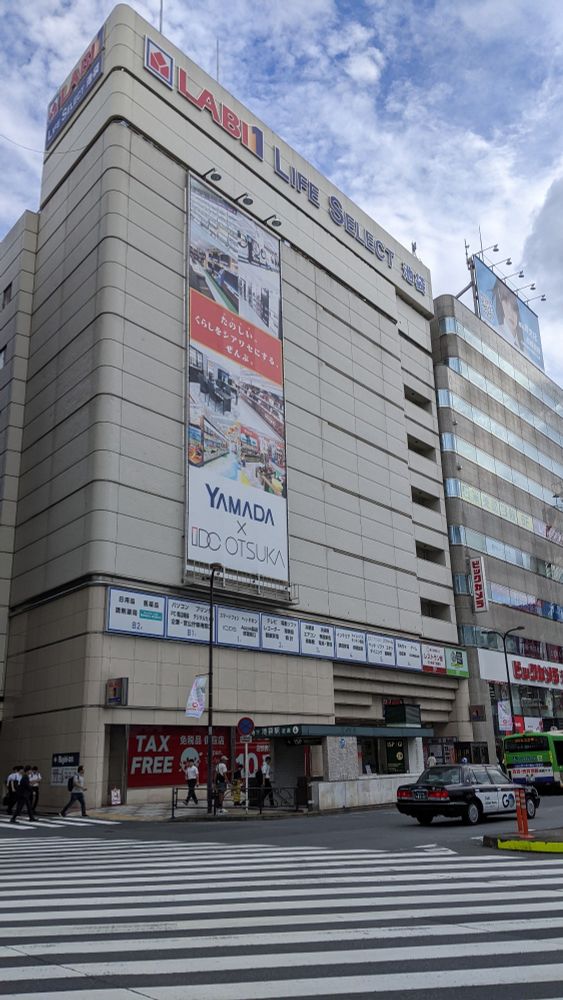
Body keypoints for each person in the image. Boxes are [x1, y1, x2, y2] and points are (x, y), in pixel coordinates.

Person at [492, 280, 525, 352]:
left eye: (514, 307)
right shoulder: (494, 333)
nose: (511, 314)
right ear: (501, 302)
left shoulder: (525, 351)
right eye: (506, 301)